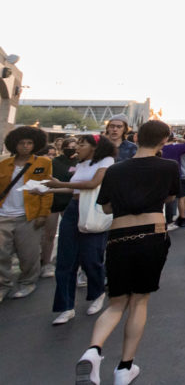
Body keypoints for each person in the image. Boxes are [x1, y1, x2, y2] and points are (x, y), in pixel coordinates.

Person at [74, 119, 179, 385]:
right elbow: (169, 198)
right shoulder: (168, 166)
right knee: (139, 301)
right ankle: (124, 367)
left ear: (137, 136)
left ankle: (93, 351)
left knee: (116, 302)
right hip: (151, 234)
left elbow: (107, 208)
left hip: (119, 236)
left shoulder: (115, 170)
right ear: (164, 140)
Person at [44, 135, 117, 325]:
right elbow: (75, 190)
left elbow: (93, 184)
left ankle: (98, 292)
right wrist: (49, 190)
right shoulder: (81, 164)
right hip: (73, 210)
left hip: (92, 210)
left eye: (82, 145)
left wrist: (60, 184)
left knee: (91, 257)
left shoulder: (107, 161)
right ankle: (66, 307)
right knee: (65, 259)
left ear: (95, 147)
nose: (77, 148)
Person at [0, 126, 54, 302]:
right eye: (21, 143)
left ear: (35, 144)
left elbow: (47, 189)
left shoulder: (44, 163)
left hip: (29, 215)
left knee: (28, 254)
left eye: (29, 143)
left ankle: (28, 282)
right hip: (3, 215)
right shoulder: (3, 164)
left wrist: (43, 214)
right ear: (13, 145)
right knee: (1, 253)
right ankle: (3, 284)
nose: (25, 146)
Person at [40, 137, 78, 279]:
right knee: (49, 234)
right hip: (54, 200)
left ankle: (69, 261)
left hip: (70, 201)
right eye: (69, 146)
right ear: (63, 148)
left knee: (70, 234)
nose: (72, 149)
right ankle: (45, 262)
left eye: (75, 146)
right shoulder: (54, 162)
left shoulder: (80, 163)